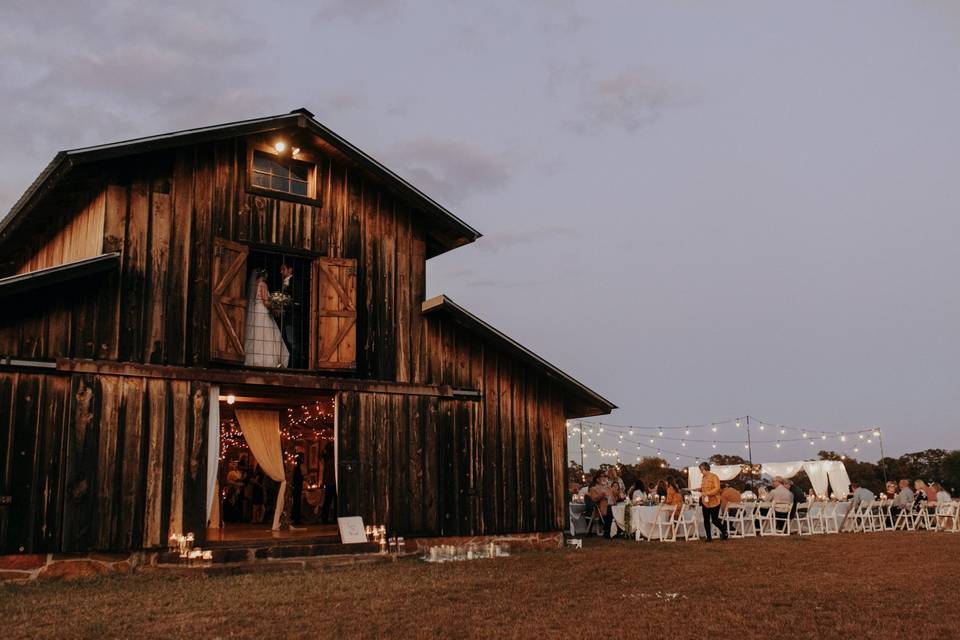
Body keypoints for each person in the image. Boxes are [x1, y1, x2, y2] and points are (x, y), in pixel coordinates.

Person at [243, 268, 290, 367]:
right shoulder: (263, 284)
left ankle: (253, 359)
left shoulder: (253, 284)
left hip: (256, 311)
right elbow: (265, 301)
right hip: (263, 311)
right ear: (264, 274)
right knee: (266, 335)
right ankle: (267, 361)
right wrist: (275, 305)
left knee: (256, 335)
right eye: (267, 274)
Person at [279, 262, 303, 368]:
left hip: (292, 317)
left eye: (283, 269)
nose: (281, 272)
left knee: (292, 341)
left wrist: (287, 304)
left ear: (290, 270)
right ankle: (287, 363)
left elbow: (298, 301)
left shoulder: (295, 282)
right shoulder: (283, 283)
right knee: (285, 340)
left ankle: (295, 365)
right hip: (284, 317)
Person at [698, 462, 727, 541]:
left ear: (705, 469)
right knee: (706, 519)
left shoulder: (714, 477)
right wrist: (699, 490)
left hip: (715, 501)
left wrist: (706, 493)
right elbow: (703, 488)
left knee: (714, 520)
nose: (700, 471)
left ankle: (724, 532)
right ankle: (708, 537)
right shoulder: (703, 478)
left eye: (701, 470)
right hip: (705, 502)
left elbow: (717, 489)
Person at [586, 471, 613, 538]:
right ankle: (607, 533)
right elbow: (594, 499)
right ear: (597, 479)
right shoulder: (593, 489)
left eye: (605, 476)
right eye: (602, 476)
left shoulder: (608, 488)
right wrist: (602, 495)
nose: (604, 478)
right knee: (610, 510)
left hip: (612, 506)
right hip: (601, 509)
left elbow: (612, 498)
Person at [319, 441, 337, 524]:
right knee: (331, 501)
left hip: (329, 482)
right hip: (332, 482)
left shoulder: (326, 459)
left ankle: (326, 518)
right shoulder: (331, 459)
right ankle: (330, 518)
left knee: (328, 501)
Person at [291, 452, 306, 526]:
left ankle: (294, 517)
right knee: (297, 502)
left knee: (295, 502)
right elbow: (304, 473)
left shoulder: (295, 465)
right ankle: (297, 519)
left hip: (294, 486)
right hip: (298, 486)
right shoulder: (301, 465)